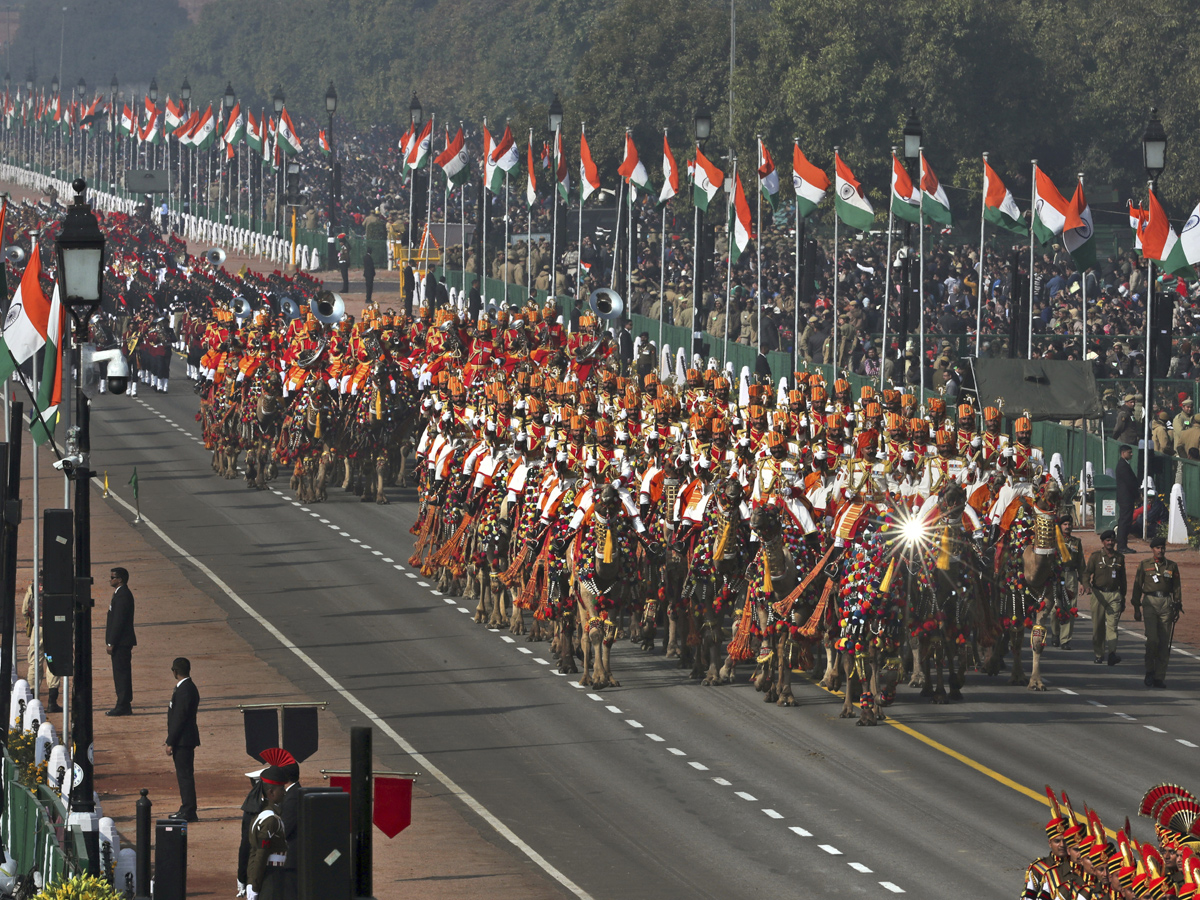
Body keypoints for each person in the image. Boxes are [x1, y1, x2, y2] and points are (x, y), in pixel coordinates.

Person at [1131, 535, 1182, 688]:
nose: (1160, 550)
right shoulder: (1144, 564)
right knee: (1152, 639)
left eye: (1163, 548)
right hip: (1149, 603)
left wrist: (1177, 605)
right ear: (1152, 549)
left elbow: (1176, 587)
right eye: (1158, 548)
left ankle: (1159, 677)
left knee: (1164, 642)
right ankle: (1149, 671)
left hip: (1166, 603)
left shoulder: (1172, 566)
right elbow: (1137, 586)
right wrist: (1136, 607)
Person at [1082, 530, 1126, 666]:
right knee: (1098, 627)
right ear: (1103, 542)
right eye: (1107, 540)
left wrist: (1123, 597)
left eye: (1112, 540)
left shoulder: (1119, 558)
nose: (1110, 543)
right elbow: (1086, 573)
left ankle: (1112, 653)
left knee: (1112, 627)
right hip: (1098, 594)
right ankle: (1099, 654)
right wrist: (1086, 585)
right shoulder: (1095, 557)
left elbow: (1122, 579)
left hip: (1114, 595)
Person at [245, 766, 289, 900]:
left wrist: (252, 881)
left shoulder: (260, 815)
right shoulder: (270, 820)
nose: (284, 792)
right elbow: (261, 853)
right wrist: (255, 885)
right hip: (271, 876)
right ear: (271, 792)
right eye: (281, 789)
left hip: (266, 874)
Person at [165, 657, 201, 821]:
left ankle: (188, 810)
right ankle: (187, 808)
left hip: (183, 741)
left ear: (175, 671)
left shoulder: (185, 690)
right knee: (185, 775)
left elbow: (179, 718)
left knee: (184, 775)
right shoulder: (188, 687)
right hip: (185, 739)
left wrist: (170, 741)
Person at [21, 574, 61, 712]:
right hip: (54, 630)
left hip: (38, 630)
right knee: (51, 661)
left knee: (35, 662)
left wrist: (30, 626)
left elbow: (25, 610)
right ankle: (52, 702)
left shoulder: (33, 587)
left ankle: (32, 699)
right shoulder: (58, 587)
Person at [105, 567, 136, 716]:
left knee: (121, 674)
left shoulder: (123, 596)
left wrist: (111, 642)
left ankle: (123, 704)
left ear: (120, 579)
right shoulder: (120, 594)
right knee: (121, 673)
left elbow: (118, 622)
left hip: (121, 643)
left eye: (113, 577)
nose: (110, 579)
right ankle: (123, 702)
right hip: (121, 642)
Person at [1053, 516, 1084, 652]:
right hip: (1056, 575)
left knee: (1070, 607)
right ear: (1060, 526)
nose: (1067, 526)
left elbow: (1081, 563)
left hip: (1071, 575)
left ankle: (1065, 640)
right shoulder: (1054, 541)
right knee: (1055, 607)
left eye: (1069, 524)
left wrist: (1083, 581)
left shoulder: (1076, 542)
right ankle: (1055, 633)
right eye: (1064, 524)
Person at [1114, 444, 1137, 553]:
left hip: (1126, 498)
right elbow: (1129, 482)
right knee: (1124, 521)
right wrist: (1137, 495)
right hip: (1126, 498)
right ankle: (1121, 546)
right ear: (1123, 453)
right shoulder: (1122, 466)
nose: (1131, 454)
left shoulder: (1124, 464)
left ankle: (1122, 545)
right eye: (1129, 452)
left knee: (1126, 521)